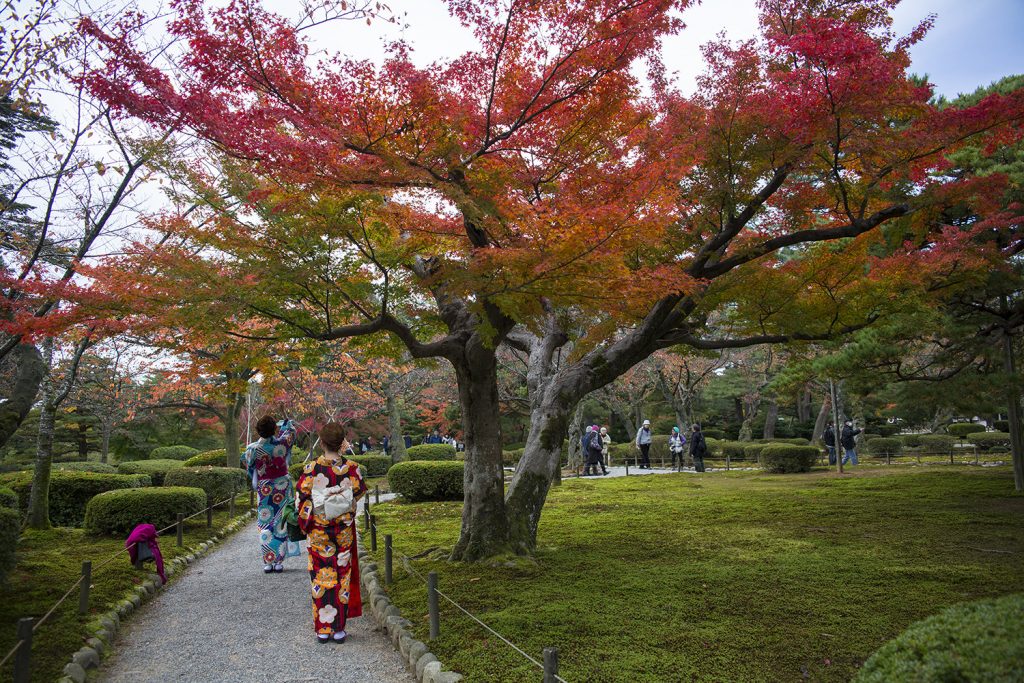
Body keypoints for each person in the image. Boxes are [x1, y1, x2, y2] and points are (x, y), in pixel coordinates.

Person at [296, 422, 367, 644]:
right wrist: (340, 505)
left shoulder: (311, 470)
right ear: (342, 442)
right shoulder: (352, 468)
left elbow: (301, 500)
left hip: (319, 531)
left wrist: (314, 514)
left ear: (322, 442)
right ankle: (339, 629)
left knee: (320, 575)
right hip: (343, 530)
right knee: (342, 574)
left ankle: (323, 628)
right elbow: (357, 495)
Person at [243, 416, 302, 573]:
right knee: (281, 523)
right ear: (274, 430)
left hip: (264, 488)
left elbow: (249, 467)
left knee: (265, 523)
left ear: (258, 430)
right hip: (282, 487)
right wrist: (285, 421)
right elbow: (291, 432)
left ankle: (268, 562)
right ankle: (279, 562)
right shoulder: (281, 444)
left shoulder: (252, 449)